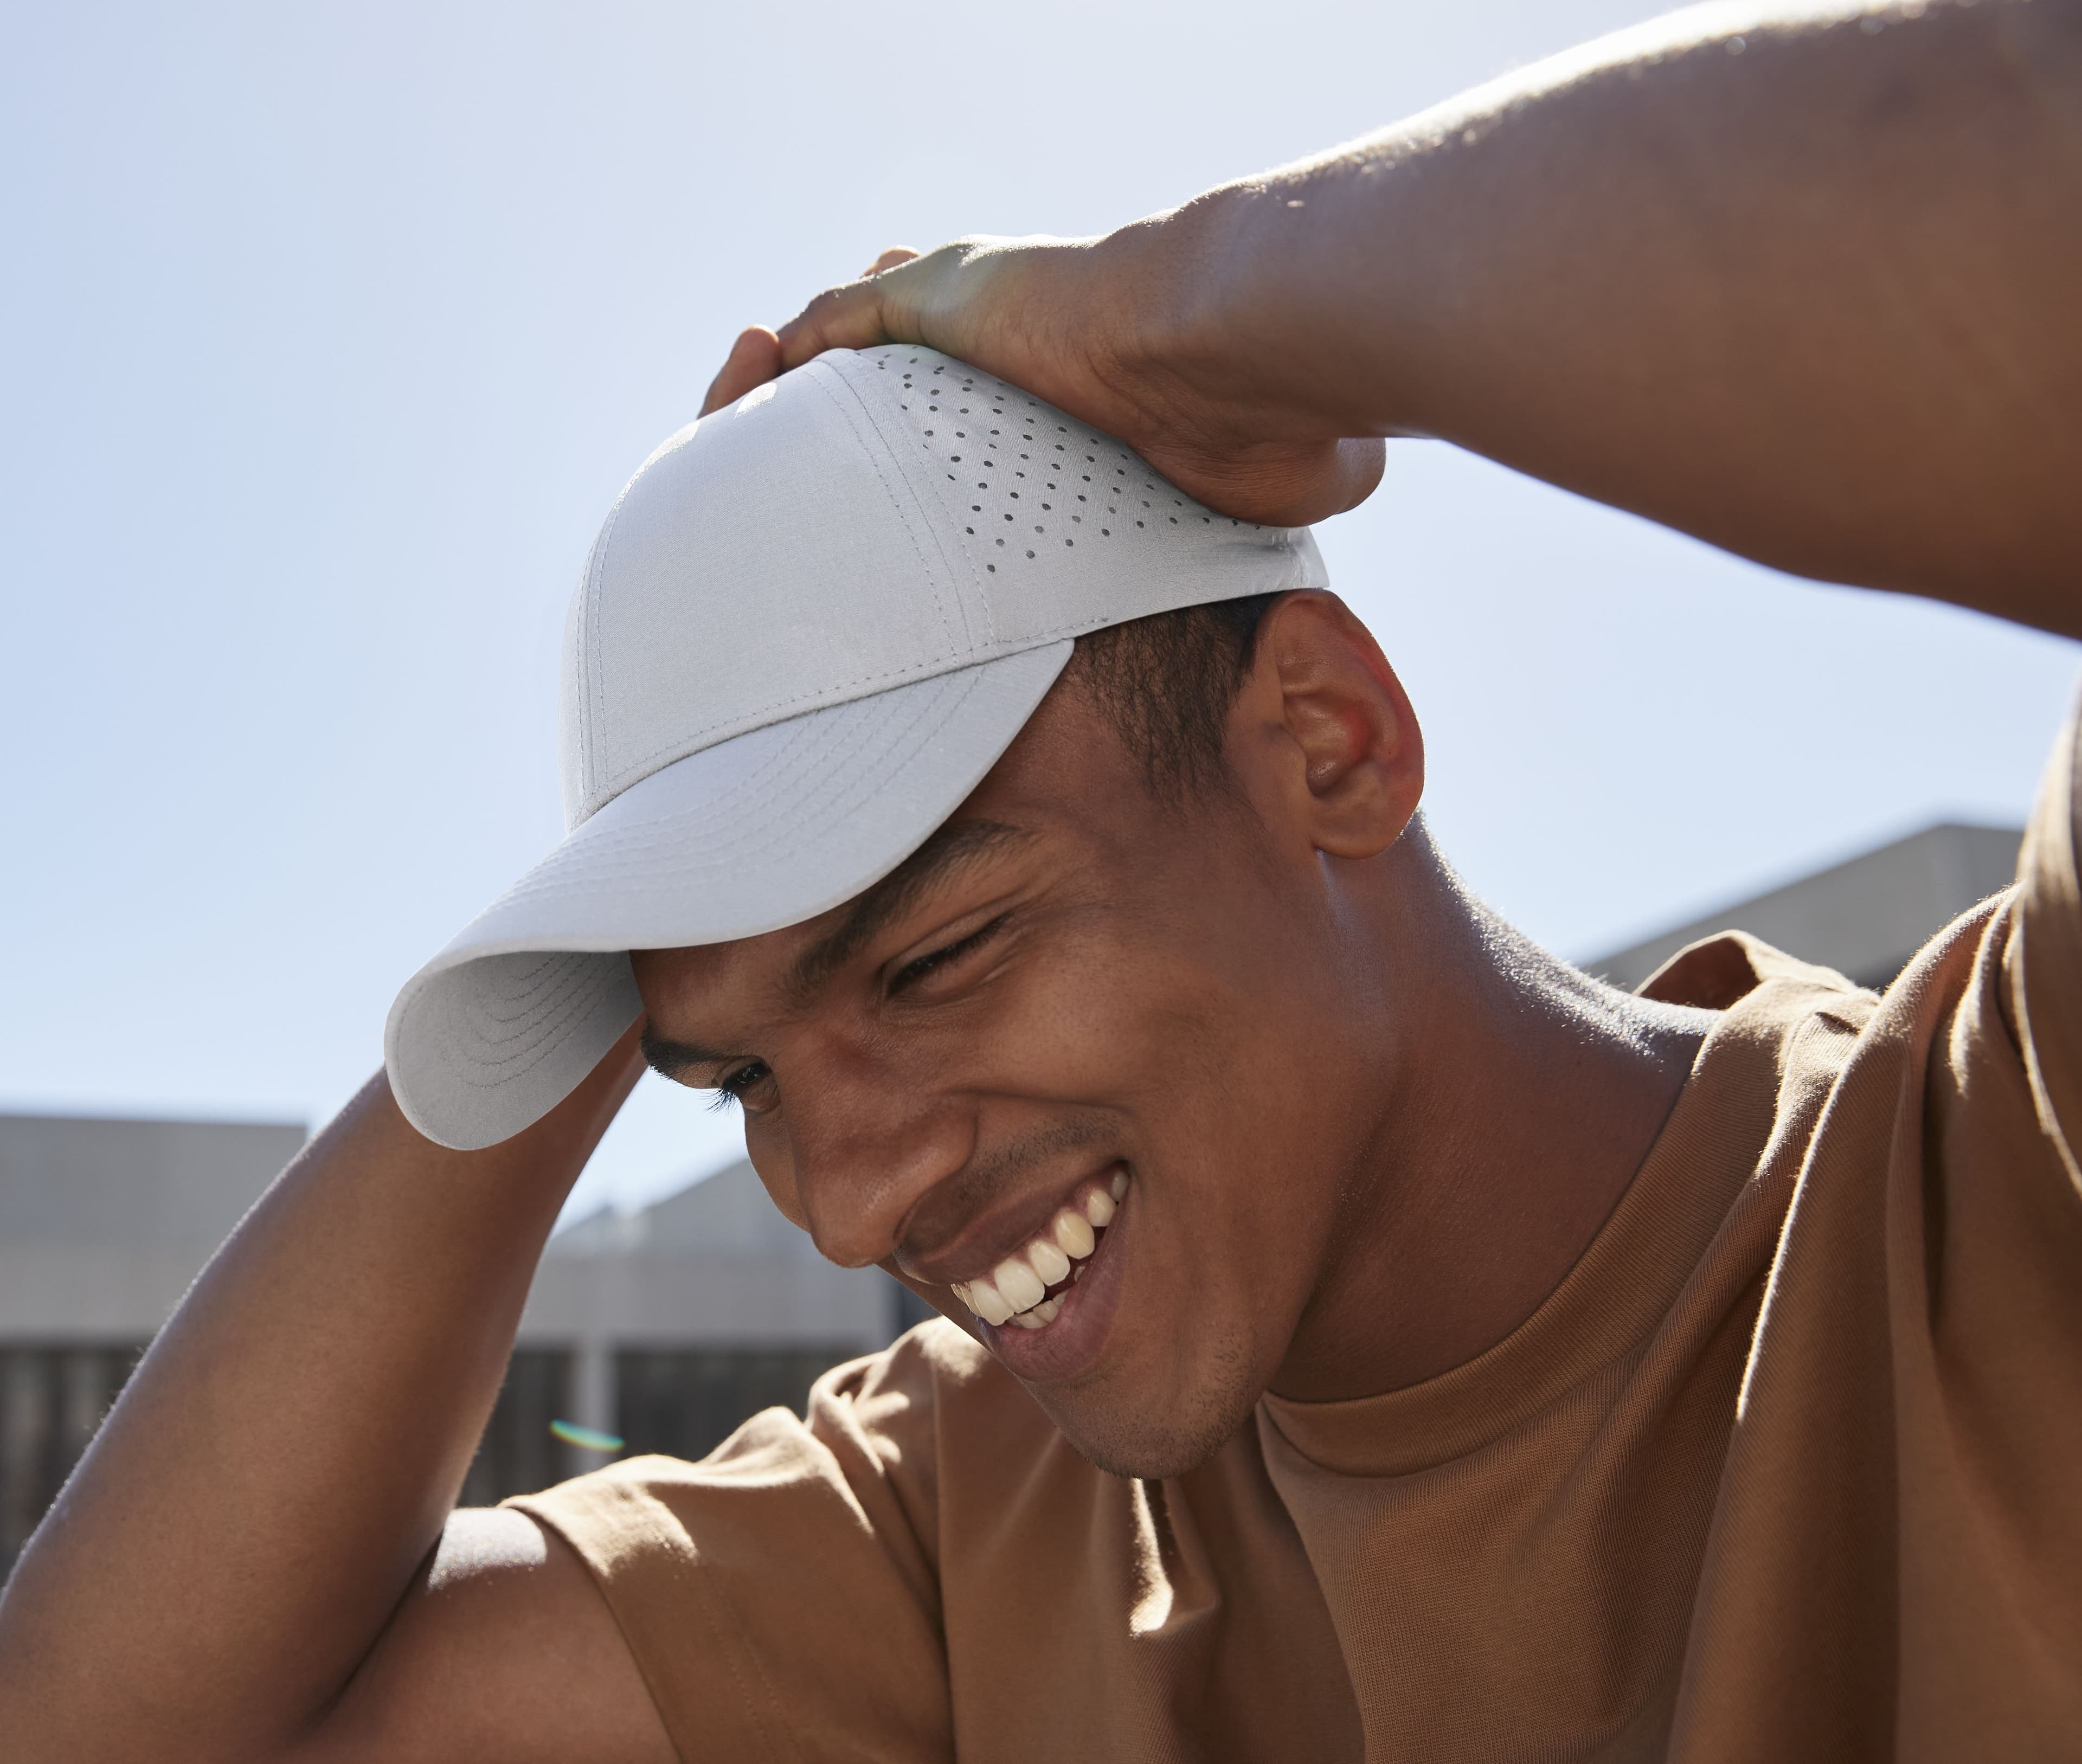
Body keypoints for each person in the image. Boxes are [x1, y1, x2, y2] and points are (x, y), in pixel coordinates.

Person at [4, 0, 2079, 1757]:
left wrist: (1197, 322)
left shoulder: (1990, 1189)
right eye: (741, 1084)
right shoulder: (963, 1528)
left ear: (1327, 742)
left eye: (933, 959)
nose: (849, 1203)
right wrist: (615, 924)